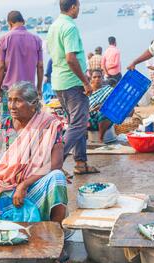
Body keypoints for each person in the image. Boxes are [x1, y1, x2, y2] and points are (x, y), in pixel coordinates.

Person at [0, 82, 71, 263]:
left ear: (33, 103)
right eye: (9, 100)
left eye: (17, 101)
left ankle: (55, 241)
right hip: (2, 188)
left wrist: (24, 185)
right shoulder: (4, 126)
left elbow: (55, 164)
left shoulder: (50, 125)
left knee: (57, 178)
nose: (11, 106)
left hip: (32, 188)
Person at [47, 0, 99, 176]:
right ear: (74, 7)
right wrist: (85, 81)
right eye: (79, 7)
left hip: (59, 82)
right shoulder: (70, 27)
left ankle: (80, 163)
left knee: (76, 124)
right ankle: (53, 164)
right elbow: (70, 58)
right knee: (78, 124)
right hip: (72, 83)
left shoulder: (54, 26)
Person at [0, 11, 44, 118]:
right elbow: (40, 66)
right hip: (29, 90)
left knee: (7, 123)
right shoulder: (37, 40)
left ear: (10, 23)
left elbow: (1, 66)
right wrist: (39, 89)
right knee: (30, 122)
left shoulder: (4, 39)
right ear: (23, 21)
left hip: (10, 90)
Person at [88, 70, 116, 143]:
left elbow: (114, 102)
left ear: (102, 78)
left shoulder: (108, 89)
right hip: (89, 118)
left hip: (104, 117)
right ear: (91, 79)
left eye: (99, 77)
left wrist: (102, 106)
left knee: (104, 112)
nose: (97, 79)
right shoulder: (87, 92)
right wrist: (93, 110)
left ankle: (101, 139)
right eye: (94, 77)